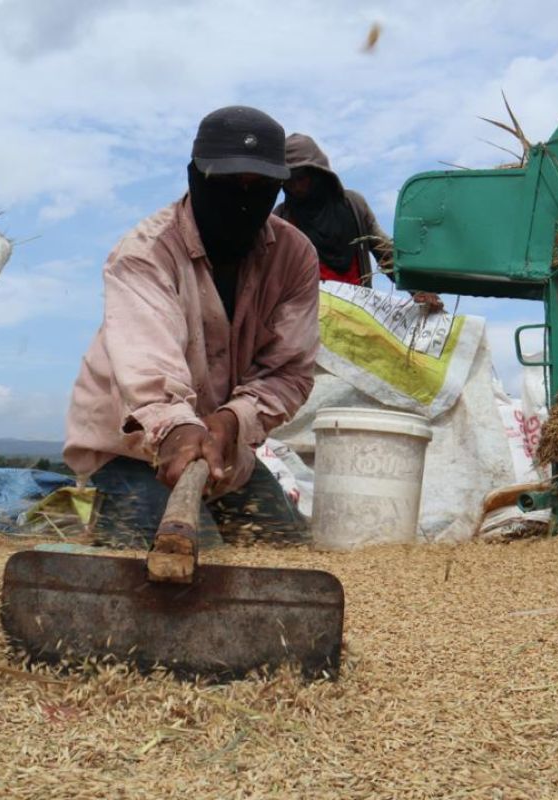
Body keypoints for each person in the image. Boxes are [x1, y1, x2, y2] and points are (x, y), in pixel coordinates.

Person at [64, 106, 319, 548]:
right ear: (195, 176)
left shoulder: (294, 257)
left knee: (285, 554)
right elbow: (149, 367)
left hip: (224, 448)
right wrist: (180, 432)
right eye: (227, 183)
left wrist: (230, 422)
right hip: (135, 448)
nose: (243, 198)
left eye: (260, 188)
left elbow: (289, 371)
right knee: (176, 566)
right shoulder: (145, 253)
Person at [275, 133, 443, 309]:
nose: (296, 187)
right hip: (306, 317)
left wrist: (418, 289)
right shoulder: (280, 221)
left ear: (317, 174)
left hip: (357, 315)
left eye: (301, 178)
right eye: (288, 180)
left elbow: (385, 253)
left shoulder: (353, 205)